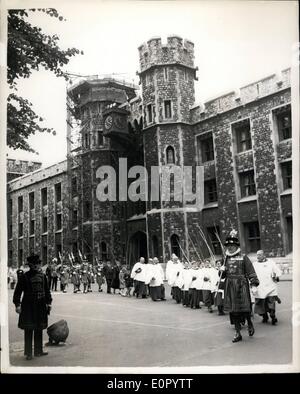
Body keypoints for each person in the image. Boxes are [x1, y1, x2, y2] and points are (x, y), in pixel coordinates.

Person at [221, 230, 259, 343]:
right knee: (234, 311)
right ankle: (237, 332)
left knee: (245, 307)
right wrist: (221, 271)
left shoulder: (243, 257)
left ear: (236, 246)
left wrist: (254, 283)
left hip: (241, 285)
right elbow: (222, 276)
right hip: (230, 286)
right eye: (228, 246)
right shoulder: (225, 258)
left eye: (232, 245)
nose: (230, 248)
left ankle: (250, 323)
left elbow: (250, 270)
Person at [13, 254, 52, 360]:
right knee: (29, 329)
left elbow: (47, 291)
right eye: (34, 264)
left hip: (40, 305)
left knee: (39, 328)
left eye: (38, 264)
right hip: (28, 306)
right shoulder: (24, 277)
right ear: (30, 265)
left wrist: (49, 303)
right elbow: (17, 293)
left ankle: (38, 351)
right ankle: (29, 353)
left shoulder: (43, 276)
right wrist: (17, 304)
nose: (36, 266)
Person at [252, 250, 282, 325]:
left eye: (259, 255)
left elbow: (277, 271)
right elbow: (251, 274)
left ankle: (273, 316)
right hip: (260, 287)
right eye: (257, 255)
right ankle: (264, 316)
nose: (257, 256)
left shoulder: (271, 263)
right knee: (261, 304)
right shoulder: (254, 264)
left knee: (271, 302)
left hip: (270, 286)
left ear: (264, 255)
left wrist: (276, 276)